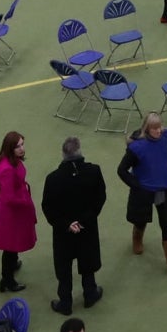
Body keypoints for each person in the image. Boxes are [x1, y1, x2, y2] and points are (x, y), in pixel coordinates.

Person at [41, 135, 107, 315]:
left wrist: (67, 224)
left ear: (63, 154)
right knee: (87, 260)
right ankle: (90, 294)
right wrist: (85, 221)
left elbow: (47, 207)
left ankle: (65, 302)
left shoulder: (52, 179)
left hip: (63, 232)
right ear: (80, 152)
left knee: (64, 265)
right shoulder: (94, 171)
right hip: (87, 228)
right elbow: (100, 198)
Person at [115, 112, 167, 277]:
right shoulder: (137, 148)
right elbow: (121, 170)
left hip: (162, 190)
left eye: (160, 127)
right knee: (141, 220)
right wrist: (137, 186)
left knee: (166, 222)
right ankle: (137, 239)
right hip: (144, 193)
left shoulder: (165, 139)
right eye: (155, 128)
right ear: (147, 129)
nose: (159, 131)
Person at [0, 129, 38, 295]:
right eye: (18, 146)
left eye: (22, 144)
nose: (22, 148)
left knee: (13, 242)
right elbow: (9, 198)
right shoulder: (7, 169)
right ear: (10, 148)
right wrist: (25, 202)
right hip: (12, 212)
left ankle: (12, 265)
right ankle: (7, 280)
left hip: (16, 209)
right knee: (10, 246)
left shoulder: (11, 160)